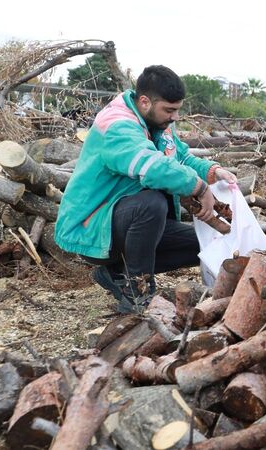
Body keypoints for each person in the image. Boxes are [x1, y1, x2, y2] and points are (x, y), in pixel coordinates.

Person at [55, 65, 237, 313]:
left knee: (206, 246)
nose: (174, 117)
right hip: (94, 225)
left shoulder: (158, 122)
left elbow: (179, 158)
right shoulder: (117, 125)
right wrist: (200, 187)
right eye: (169, 110)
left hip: (127, 224)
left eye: (177, 110)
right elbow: (152, 167)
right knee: (151, 203)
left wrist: (212, 172)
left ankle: (116, 273)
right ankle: (137, 295)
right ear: (144, 102)